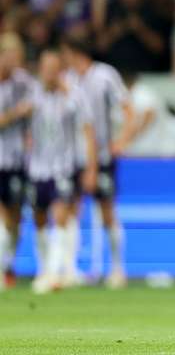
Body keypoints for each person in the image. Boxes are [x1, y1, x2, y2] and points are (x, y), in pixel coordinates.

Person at [61, 36, 131, 289]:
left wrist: (122, 139)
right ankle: (69, 270)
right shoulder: (67, 80)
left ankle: (117, 269)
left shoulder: (105, 75)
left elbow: (127, 107)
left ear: (74, 52)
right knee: (70, 210)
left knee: (107, 210)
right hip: (72, 157)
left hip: (101, 155)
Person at [28, 50, 96, 294]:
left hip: (63, 167)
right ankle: (47, 268)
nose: (49, 73)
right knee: (39, 220)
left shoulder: (73, 95)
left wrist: (91, 166)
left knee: (61, 216)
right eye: (45, 67)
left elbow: (88, 129)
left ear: (60, 70)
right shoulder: (32, 94)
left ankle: (54, 273)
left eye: (54, 68)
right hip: (36, 169)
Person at [0, 33, 34, 288]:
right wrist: (14, 114)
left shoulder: (24, 83)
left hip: (17, 160)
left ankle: (8, 264)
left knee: (16, 217)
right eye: (9, 54)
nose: (14, 60)